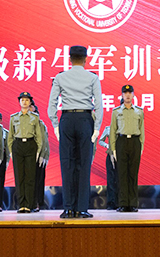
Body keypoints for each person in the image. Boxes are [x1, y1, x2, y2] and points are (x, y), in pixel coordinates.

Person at [48, 45, 104, 219]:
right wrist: (96, 128)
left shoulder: (60, 77)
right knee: (84, 165)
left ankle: (68, 208)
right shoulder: (92, 77)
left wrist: (56, 125)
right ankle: (81, 208)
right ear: (85, 59)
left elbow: (52, 104)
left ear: (70, 59)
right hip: (85, 119)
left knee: (67, 164)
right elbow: (99, 105)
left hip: (66, 119)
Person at [111, 84, 145, 212]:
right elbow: (113, 131)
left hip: (135, 141)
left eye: (130, 93)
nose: (128, 95)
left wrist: (141, 146)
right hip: (121, 141)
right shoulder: (116, 111)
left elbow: (142, 129)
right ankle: (123, 203)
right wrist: (113, 148)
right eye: (125, 93)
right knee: (122, 174)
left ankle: (133, 203)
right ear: (122, 95)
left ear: (133, 95)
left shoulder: (139, 111)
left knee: (133, 173)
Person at [7, 92, 43, 213]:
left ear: (30, 102)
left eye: (27, 100)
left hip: (30, 145)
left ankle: (29, 204)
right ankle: (21, 204)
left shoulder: (35, 117)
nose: (25, 102)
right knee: (19, 176)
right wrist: (11, 150)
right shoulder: (14, 117)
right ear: (19, 102)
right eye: (22, 100)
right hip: (18, 145)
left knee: (30, 176)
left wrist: (38, 151)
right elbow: (10, 136)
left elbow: (38, 136)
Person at [31, 104, 49, 212]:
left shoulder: (41, 124)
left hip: (39, 156)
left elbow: (45, 142)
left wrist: (44, 156)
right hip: (28, 154)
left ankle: (37, 202)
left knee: (38, 179)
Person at [98, 123, 119, 210]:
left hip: (121, 155)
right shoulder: (108, 129)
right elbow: (100, 141)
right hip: (110, 155)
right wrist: (107, 145)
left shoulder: (122, 128)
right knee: (111, 179)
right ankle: (111, 202)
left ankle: (120, 202)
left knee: (120, 179)